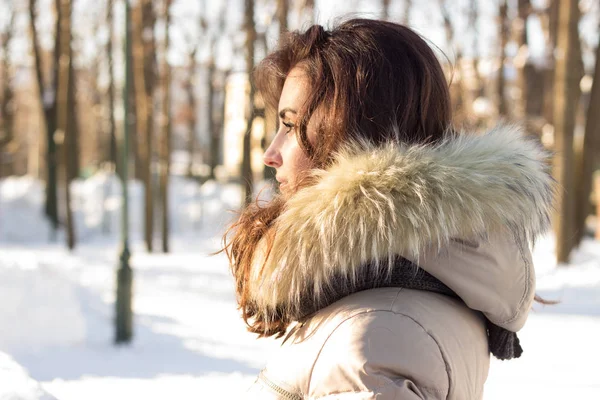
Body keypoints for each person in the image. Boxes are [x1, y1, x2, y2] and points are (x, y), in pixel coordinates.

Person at [223, 18, 555, 399]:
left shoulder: (371, 343)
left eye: (292, 125)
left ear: (352, 134)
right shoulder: (407, 287)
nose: (271, 154)